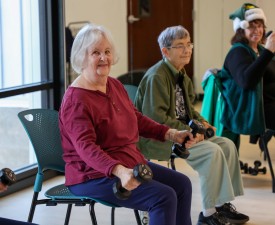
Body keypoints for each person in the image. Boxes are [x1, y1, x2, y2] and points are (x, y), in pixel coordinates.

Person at [58, 23, 193, 225]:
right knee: (163, 197)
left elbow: (135, 118)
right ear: (81, 58)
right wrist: (119, 171)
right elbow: (86, 148)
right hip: (93, 175)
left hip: (130, 162)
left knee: (182, 184)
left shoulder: (113, 84)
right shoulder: (76, 100)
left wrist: (171, 133)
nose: (104, 58)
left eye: (107, 51)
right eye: (96, 53)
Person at [135, 25, 249, 225]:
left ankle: (222, 205)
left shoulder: (181, 73)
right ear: (165, 51)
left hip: (183, 132)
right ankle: (208, 214)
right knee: (211, 152)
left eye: (189, 44)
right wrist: (191, 132)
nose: (187, 50)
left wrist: (203, 124)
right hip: (161, 137)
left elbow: (188, 111)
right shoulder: (157, 77)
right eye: (180, 46)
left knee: (227, 145)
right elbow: (156, 120)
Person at [219, 3, 275, 151]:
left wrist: (267, 52)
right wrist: (268, 53)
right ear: (241, 29)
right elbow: (247, 81)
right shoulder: (237, 52)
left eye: (260, 26)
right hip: (253, 109)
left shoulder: (261, 50)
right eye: (251, 26)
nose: (257, 30)